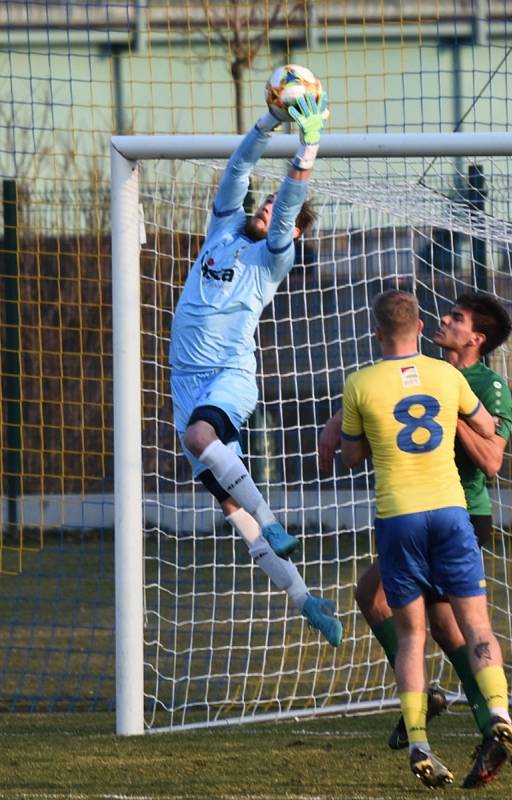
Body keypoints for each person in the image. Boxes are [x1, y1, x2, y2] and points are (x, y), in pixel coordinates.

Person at [338, 289, 512, 788]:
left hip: (462, 512)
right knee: (376, 597)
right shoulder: (438, 374)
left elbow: (493, 460)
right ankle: (477, 715)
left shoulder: (484, 384)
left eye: (457, 317)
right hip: (441, 513)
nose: (445, 319)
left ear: (476, 338)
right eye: (443, 315)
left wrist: (447, 419)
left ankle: (473, 723)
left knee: (439, 630)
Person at [169, 88, 342, 648]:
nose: (268, 209)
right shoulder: (223, 226)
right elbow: (240, 165)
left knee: (203, 438)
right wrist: (269, 119)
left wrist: (307, 147)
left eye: (277, 213)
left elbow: (291, 206)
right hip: (186, 383)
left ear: (291, 235)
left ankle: (272, 517)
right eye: (264, 205)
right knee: (232, 514)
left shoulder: (275, 258)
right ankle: (304, 598)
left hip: (228, 376)